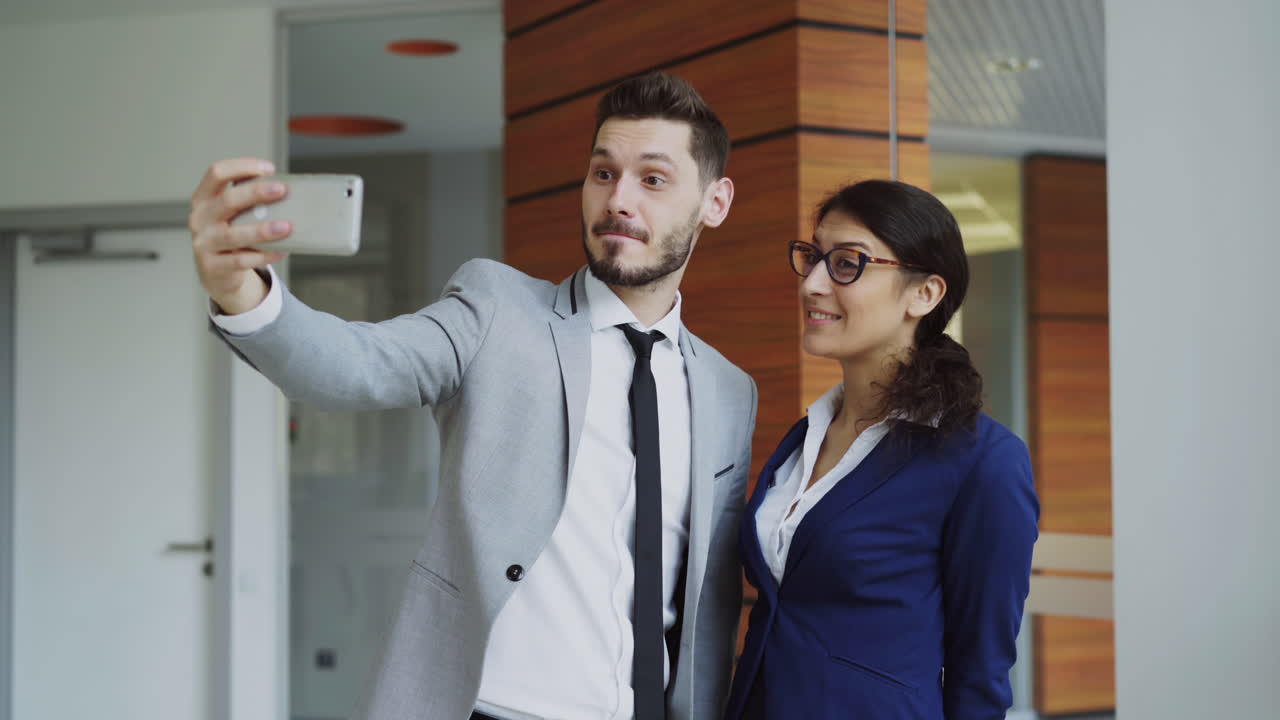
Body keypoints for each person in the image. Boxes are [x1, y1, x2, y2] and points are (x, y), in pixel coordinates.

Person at [188, 72, 757, 720]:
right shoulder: (497, 311)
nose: (618, 200)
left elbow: (708, 602)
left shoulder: (727, 390)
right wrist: (242, 292)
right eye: (603, 173)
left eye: (652, 180)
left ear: (715, 201)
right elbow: (356, 365)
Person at [724, 180, 1039, 720]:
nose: (813, 284)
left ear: (925, 294)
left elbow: (980, 672)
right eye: (813, 257)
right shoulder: (805, 436)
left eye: (848, 263)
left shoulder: (983, 462)